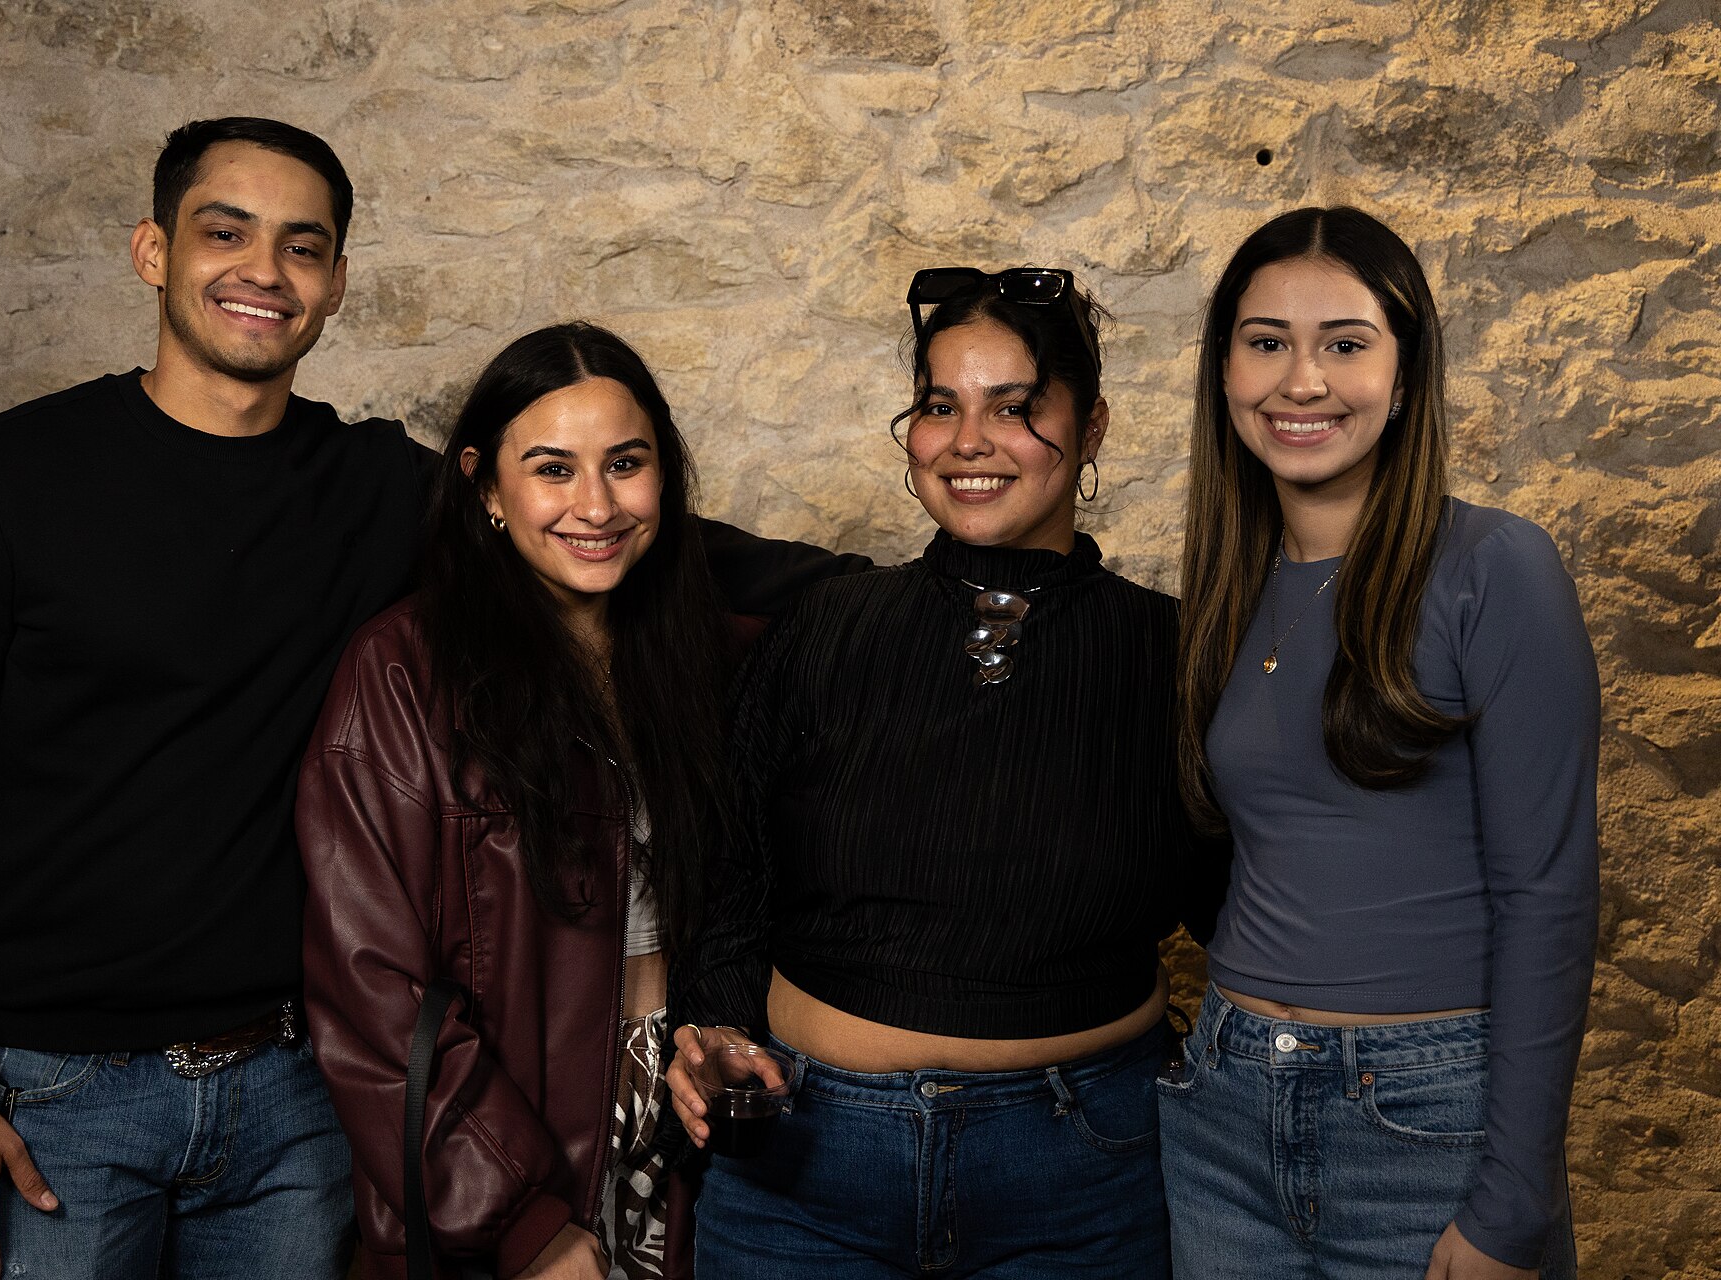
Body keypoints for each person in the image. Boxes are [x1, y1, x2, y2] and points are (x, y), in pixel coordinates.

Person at [0, 117, 858, 1280]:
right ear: (152, 251)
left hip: (295, 1094)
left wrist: (904, 588)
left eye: (302, 247)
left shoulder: (376, 490)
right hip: (61, 1092)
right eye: (227, 233)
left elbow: (603, 532)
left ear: (335, 285)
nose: (264, 270)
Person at [666, 266, 1228, 1278]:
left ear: (1091, 426)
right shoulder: (823, 629)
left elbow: (1251, 913)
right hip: (802, 1165)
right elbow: (733, 876)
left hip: (1082, 1173)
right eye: (939, 404)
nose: (968, 440)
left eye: (1014, 407)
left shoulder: (1175, 657)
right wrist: (710, 1025)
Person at [1165, 206, 1599, 1280]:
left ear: (1405, 378)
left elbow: (1549, 895)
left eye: (1345, 343)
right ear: (1226, 374)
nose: (1301, 380)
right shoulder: (1230, 588)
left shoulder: (1496, 565)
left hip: (1423, 1120)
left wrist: (1514, 1200)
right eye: (1266, 341)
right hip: (1224, 1109)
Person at [298, 321, 748, 1280]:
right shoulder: (403, 674)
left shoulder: (707, 659)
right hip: (509, 1154)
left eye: (625, 464)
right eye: (552, 469)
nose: (596, 504)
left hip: (688, 1137)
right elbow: (370, 989)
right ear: (486, 487)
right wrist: (519, 1219)